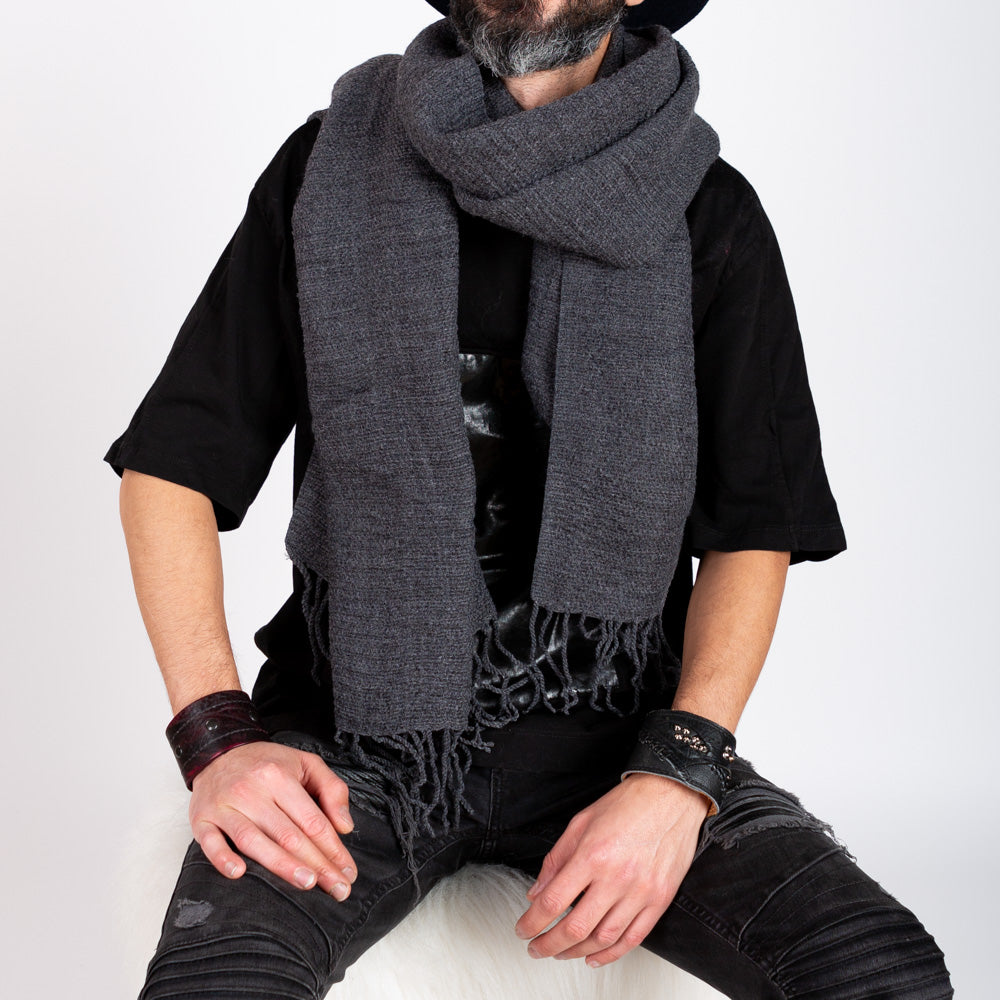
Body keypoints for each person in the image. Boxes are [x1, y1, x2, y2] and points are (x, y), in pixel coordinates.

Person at [104, 1, 954, 996]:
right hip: (352, 749)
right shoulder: (326, 171)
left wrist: (678, 774)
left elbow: (753, 529)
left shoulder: (704, 207)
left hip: (617, 743)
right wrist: (216, 738)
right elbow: (172, 468)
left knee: (883, 971)